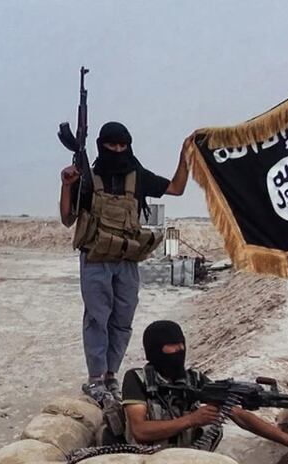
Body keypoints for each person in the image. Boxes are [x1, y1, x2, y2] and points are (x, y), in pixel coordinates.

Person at [59, 121, 189, 402]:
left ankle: (110, 376)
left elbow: (177, 188)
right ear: (101, 146)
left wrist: (185, 156)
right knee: (97, 319)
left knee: (122, 320)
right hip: (96, 258)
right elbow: (68, 219)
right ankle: (95, 379)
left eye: (122, 145)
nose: (117, 150)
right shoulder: (89, 178)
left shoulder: (137, 176)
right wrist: (66, 185)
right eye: (111, 145)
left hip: (127, 258)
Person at [121, 320, 288, 451]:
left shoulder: (195, 379)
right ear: (155, 350)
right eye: (172, 346)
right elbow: (141, 431)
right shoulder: (137, 379)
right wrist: (192, 420)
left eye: (181, 344)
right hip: (146, 457)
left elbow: (242, 417)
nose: (179, 350)